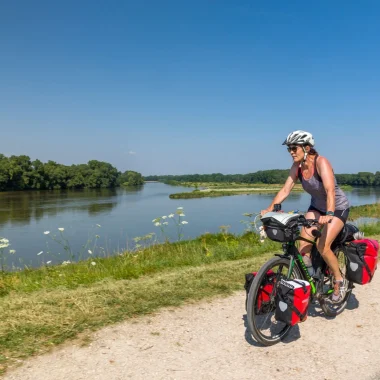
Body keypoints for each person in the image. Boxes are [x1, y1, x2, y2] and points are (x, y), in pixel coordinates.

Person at [261, 130, 350, 303]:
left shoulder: (321, 162)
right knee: (303, 246)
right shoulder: (297, 167)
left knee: (322, 246)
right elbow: (286, 190)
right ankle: (311, 278)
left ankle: (339, 280)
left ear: (307, 148)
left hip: (337, 208)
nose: (291, 152)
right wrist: (269, 208)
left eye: (294, 148)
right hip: (316, 206)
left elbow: (329, 190)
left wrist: (330, 214)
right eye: (289, 149)